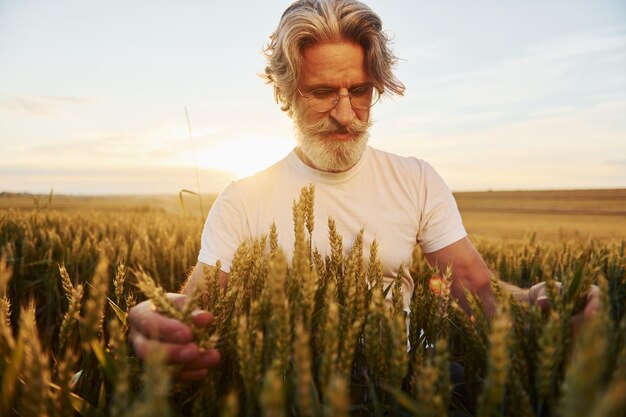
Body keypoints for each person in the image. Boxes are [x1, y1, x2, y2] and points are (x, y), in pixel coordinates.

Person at [128, 0, 600, 382]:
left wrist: (538, 300)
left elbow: (473, 287)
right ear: (286, 94)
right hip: (293, 389)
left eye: (359, 91)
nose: (346, 113)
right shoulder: (242, 199)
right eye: (321, 92)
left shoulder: (415, 179)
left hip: (407, 378)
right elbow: (198, 305)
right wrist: (157, 321)